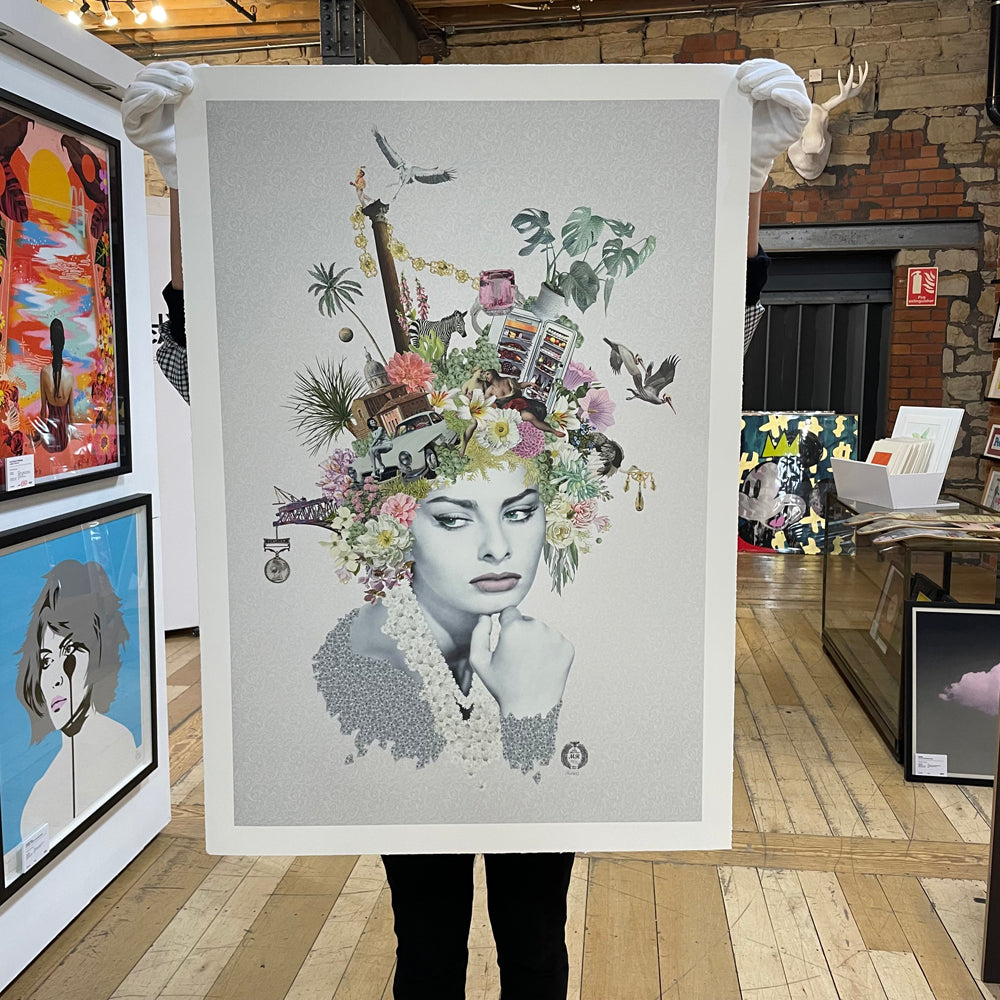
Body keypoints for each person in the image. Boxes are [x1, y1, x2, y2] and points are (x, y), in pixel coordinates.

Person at [121, 55, 808, 1000]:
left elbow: (710, 351)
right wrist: (184, 182)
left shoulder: (576, 659)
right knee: (427, 950)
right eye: (450, 514)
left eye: (519, 509)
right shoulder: (355, 670)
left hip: (551, 741)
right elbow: (216, 378)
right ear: (397, 518)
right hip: (410, 732)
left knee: (535, 946)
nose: (495, 545)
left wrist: (744, 184)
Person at [16, 560, 135, 840]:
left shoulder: (117, 743)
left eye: (69, 652)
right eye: (46, 661)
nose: (56, 677)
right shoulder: (38, 798)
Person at [35, 318, 75, 453]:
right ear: (63, 344)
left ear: (51, 344)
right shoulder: (70, 376)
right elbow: (71, 416)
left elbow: (43, 412)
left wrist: (38, 435)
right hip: (64, 441)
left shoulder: (44, 372)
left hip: (49, 440)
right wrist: (74, 434)